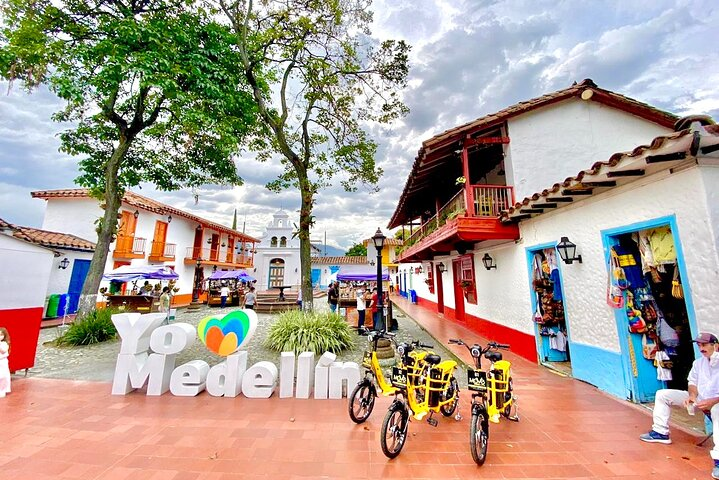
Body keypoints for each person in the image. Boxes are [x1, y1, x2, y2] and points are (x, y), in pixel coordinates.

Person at [640, 332, 719, 478]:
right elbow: (692, 383)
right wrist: (692, 396)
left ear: (716, 345)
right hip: (700, 400)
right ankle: (660, 432)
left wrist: (712, 402)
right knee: (662, 395)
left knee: (718, 411)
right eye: (699, 345)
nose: (701, 348)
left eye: (705, 345)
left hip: (716, 403)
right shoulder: (698, 363)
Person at [0, 327, 10, 398]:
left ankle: (2, 390)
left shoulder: (4, 344)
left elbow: (3, 350)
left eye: (1, 335)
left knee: (3, 376)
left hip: (2, 362)